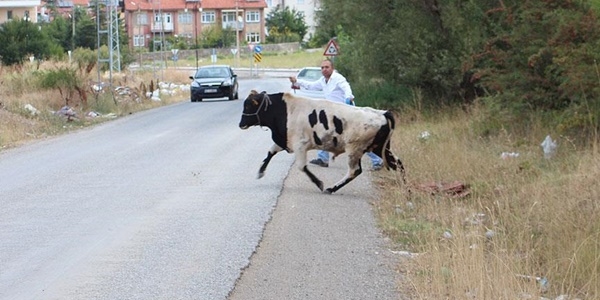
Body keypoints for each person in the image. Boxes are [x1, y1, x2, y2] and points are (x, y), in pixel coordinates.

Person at [289, 59, 383, 171]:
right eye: (322, 68)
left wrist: (349, 96)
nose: (324, 70)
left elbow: (346, 87)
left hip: (344, 115)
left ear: (332, 68)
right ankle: (322, 158)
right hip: (332, 115)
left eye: (326, 67)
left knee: (356, 139)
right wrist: (297, 81)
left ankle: (378, 160)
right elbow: (312, 86)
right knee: (323, 133)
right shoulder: (323, 80)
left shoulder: (338, 78)